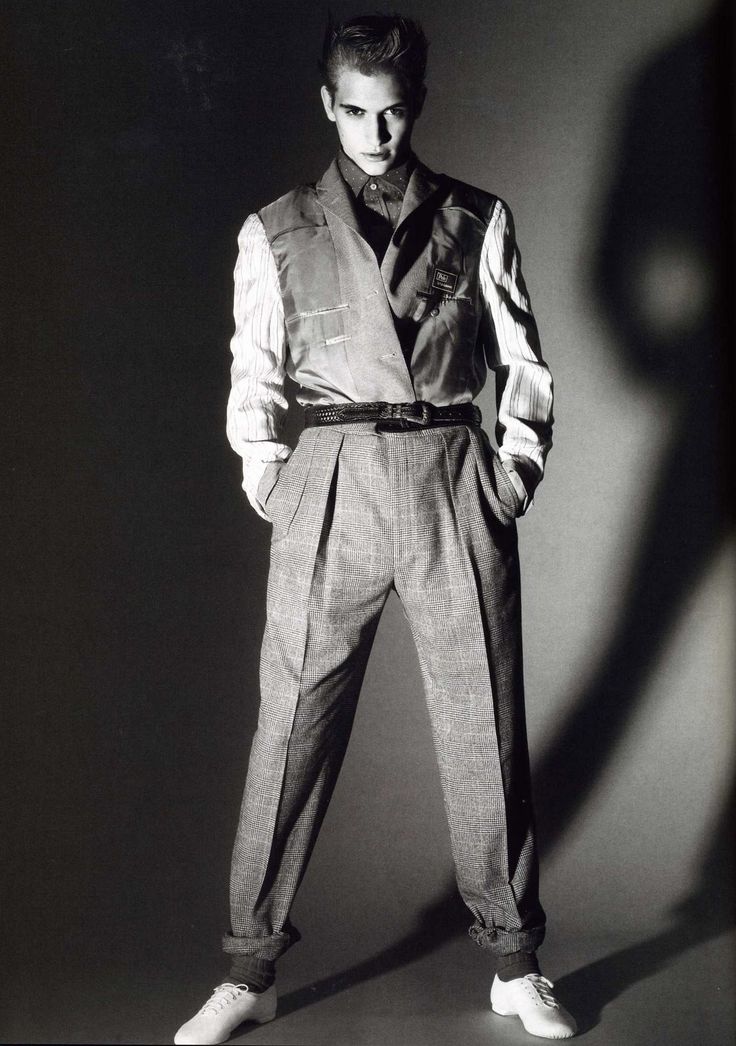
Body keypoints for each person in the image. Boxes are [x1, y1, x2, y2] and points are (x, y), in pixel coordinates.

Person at [175, 13, 576, 1044]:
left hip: (450, 469)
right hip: (333, 475)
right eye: (354, 111)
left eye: (392, 112)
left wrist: (510, 473)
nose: (375, 133)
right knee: (289, 727)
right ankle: (248, 965)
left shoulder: (475, 217)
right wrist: (277, 478)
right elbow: (253, 367)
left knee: (483, 724)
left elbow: (522, 361)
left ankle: (515, 961)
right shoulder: (276, 229)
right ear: (327, 105)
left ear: (418, 105)